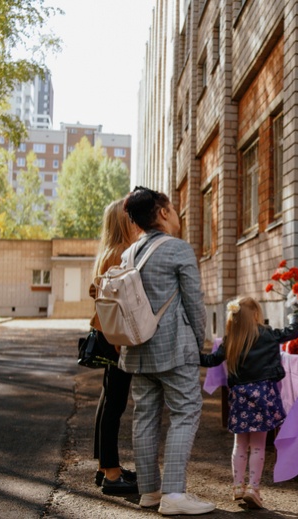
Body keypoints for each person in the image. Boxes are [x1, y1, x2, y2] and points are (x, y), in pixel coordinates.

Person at [119, 186, 214, 516]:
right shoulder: (178, 250)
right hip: (175, 349)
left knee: (144, 417)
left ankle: (150, 491)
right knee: (185, 412)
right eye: (173, 208)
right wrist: (199, 343)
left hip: (137, 350)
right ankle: (174, 493)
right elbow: (194, 303)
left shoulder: (128, 255)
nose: (176, 214)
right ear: (162, 212)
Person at [200, 296, 298, 508]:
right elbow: (292, 333)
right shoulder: (267, 335)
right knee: (258, 446)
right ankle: (253, 488)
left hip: (240, 398)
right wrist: (294, 316)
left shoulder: (231, 340)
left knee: (240, 444)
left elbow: (210, 360)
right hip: (263, 396)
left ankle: (238, 487)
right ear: (255, 315)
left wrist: (188, 352)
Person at [90, 199, 140, 494]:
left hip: (105, 335)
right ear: (123, 222)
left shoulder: (106, 253)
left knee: (108, 400)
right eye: (129, 216)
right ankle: (110, 474)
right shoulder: (122, 254)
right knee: (115, 404)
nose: (134, 219)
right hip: (116, 338)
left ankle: (105, 467)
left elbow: (93, 291)